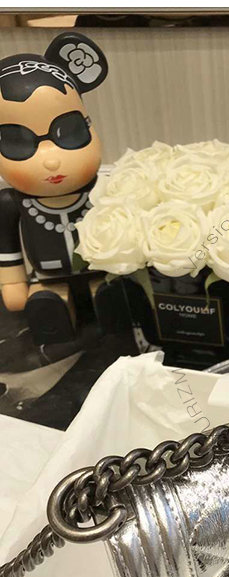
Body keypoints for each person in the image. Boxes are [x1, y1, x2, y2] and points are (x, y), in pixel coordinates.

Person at [0, 32, 108, 344]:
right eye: (18, 142)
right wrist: (12, 283)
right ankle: (53, 311)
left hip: (101, 269)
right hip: (47, 276)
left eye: (69, 132)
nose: (50, 161)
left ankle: (112, 306)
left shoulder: (105, 188)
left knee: (112, 297)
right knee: (47, 307)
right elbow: (7, 247)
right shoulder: (10, 203)